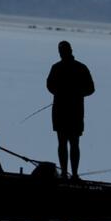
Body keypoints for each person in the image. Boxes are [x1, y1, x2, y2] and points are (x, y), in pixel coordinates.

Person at [46, 41, 94, 179]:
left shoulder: (76, 67)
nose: (62, 53)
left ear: (69, 51)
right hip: (65, 110)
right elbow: (49, 86)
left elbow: (91, 89)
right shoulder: (61, 67)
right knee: (66, 143)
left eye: (63, 51)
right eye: (61, 51)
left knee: (71, 143)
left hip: (71, 111)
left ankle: (71, 174)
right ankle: (67, 173)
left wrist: (73, 93)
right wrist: (65, 93)